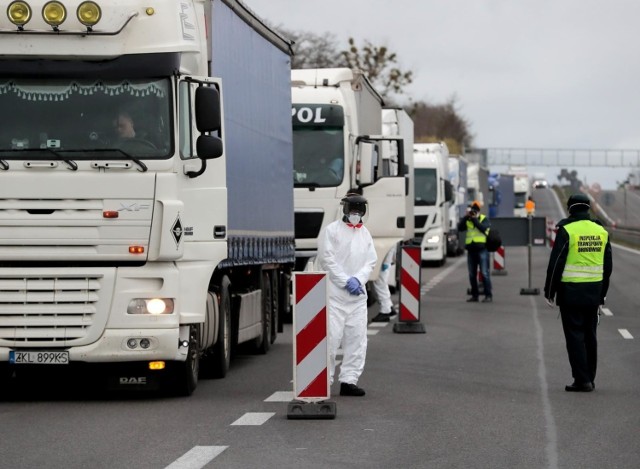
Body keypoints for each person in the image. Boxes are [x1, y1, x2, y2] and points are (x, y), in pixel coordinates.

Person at [544, 193, 612, 392]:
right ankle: (590, 376)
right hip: (593, 293)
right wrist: (603, 293)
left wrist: (550, 291)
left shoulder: (567, 230)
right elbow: (608, 266)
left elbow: (556, 263)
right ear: (588, 208)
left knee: (575, 336)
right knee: (590, 335)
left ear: (570, 209)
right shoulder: (601, 231)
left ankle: (582, 380)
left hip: (571, 293)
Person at [317, 192, 377, 396]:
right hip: (335, 295)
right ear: (344, 209)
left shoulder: (365, 233)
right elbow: (327, 259)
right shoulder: (332, 231)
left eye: (359, 211)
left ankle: (349, 381)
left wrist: (358, 280)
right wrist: (345, 281)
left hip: (357, 296)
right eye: (353, 210)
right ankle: (325, 380)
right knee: (331, 339)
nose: (356, 214)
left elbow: (370, 261)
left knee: (357, 340)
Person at [458, 202, 493, 302]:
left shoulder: (483, 219)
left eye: (474, 212)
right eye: (471, 212)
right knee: (472, 274)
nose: (472, 213)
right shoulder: (468, 220)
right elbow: (460, 228)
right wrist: (465, 217)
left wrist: (475, 220)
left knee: (484, 273)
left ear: (478, 212)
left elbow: (484, 228)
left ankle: (488, 295)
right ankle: (475, 295)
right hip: (471, 250)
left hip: (482, 249)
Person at [370, 245, 398, 322]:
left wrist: (385, 262)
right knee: (382, 285)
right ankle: (389, 306)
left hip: (383, 262)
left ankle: (385, 310)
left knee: (379, 285)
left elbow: (389, 246)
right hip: (384, 261)